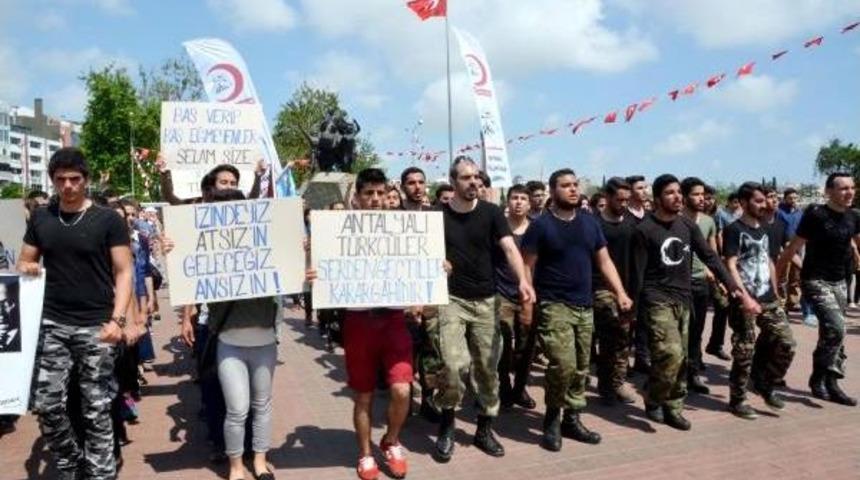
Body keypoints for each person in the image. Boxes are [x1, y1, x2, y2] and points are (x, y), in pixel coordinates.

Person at [17, 147, 137, 480]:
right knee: (46, 404)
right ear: (53, 181)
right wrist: (27, 266)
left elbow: (124, 271)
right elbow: (24, 260)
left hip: (97, 326)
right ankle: (70, 461)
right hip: (53, 324)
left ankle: (100, 471)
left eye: (74, 179)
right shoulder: (42, 218)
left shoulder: (108, 219)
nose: (68, 185)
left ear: (86, 179)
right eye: (61, 180)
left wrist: (119, 320)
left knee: (96, 407)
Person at [309, 168, 414, 480]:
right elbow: (322, 268)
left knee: (402, 389)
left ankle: (391, 440)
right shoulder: (339, 230)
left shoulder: (406, 229)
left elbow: (419, 264)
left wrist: (439, 268)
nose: (376, 199)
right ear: (357, 198)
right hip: (358, 321)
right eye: (369, 193)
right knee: (364, 394)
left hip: (394, 319)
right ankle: (366, 454)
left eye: (381, 193)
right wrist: (312, 271)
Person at [632, 174, 758, 431]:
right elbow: (637, 274)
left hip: (684, 298)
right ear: (657, 199)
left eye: (679, 192)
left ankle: (673, 407)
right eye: (670, 193)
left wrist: (735, 288)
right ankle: (653, 396)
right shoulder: (644, 230)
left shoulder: (688, 227)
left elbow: (711, 257)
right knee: (670, 353)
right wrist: (634, 310)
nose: (677, 196)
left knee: (682, 358)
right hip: (657, 299)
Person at [523, 169, 633, 452]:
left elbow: (605, 261)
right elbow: (526, 266)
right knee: (563, 364)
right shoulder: (541, 225)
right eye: (565, 185)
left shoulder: (589, 223)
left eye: (575, 185)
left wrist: (620, 292)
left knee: (582, 367)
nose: (572, 189)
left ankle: (572, 419)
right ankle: (551, 419)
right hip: (553, 304)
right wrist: (527, 302)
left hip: (585, 306)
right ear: (552, 190)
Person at [434, 156, 535, 462]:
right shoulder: (436, 216)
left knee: (488, 368)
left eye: (476, 177)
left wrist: (523, 281)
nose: (474, 182)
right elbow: (423, 253)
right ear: (453, 182)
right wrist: (437, 263)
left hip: (487, 301)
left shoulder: (492, 213)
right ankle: (447, 424)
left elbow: (508, 248)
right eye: (466, 177)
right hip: (451, 300)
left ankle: (484, 428)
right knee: (453, 364)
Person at [777, 172, 860, 407]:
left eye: (852, 187)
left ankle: (827, 381)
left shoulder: (854, 216)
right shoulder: (816, 214)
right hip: (815, 280)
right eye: (843, 188)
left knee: (833, 333)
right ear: (829, 192)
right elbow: (793, 247)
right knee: (836, 327)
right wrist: (775, 280)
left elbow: (856, 241)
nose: (849, 192)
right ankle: (823, 379)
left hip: (840, 281)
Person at [722, 182, 796, 419]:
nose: (763, 205)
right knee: (744, 350)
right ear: (743, 203)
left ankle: (764, 383)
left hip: (768, 297)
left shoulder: (767, 229)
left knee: (786, 343)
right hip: (743, 299)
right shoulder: (734, 230)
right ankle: (738, 400)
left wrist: (776, 293)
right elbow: (730, 264)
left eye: (764, 200)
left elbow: (770, 262)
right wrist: (743, 296)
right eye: (757, 200)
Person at [592, 178, 638, 405]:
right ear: (607, 197)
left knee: (623, 340)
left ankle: (617, 382)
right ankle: (606, 386)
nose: (623, 204)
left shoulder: (632, 224)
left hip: (628, 289)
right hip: (601, 289)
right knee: (610, 338)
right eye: (619, 199)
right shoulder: (594, 224)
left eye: (626, 200)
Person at [495, 185, 537, 410]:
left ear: (529, 204)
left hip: (529, 296)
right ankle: (503, 387)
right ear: (507, 201)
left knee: (526, 347)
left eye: (523, 198)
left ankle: (520, 388)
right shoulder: (498, 228)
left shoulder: (536, 229)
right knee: (502, 345)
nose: (518, 202)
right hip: (502, 294)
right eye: (514, 198)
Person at [680, 177, 720, 395]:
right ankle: (673, 375)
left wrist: (715, 274)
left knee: (696, 331)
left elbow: (712, 253)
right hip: (678, 284)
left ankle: (692, 373)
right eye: (696, 194)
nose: (702, 199)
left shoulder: (708, 222)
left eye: (703, 194)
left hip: (700, 283)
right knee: (678, 332)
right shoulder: (675, 221)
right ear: (685, 197)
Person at [777, 188, 806, 314]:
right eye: (790, 198)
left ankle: (793, 301)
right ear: (785, 199)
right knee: (783, 276)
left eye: (795, 198)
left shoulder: (800, 212)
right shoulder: (779, 212)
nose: (793, 200)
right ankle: (781, 302)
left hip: (798, 247)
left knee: (795, 275)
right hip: (784, 247)